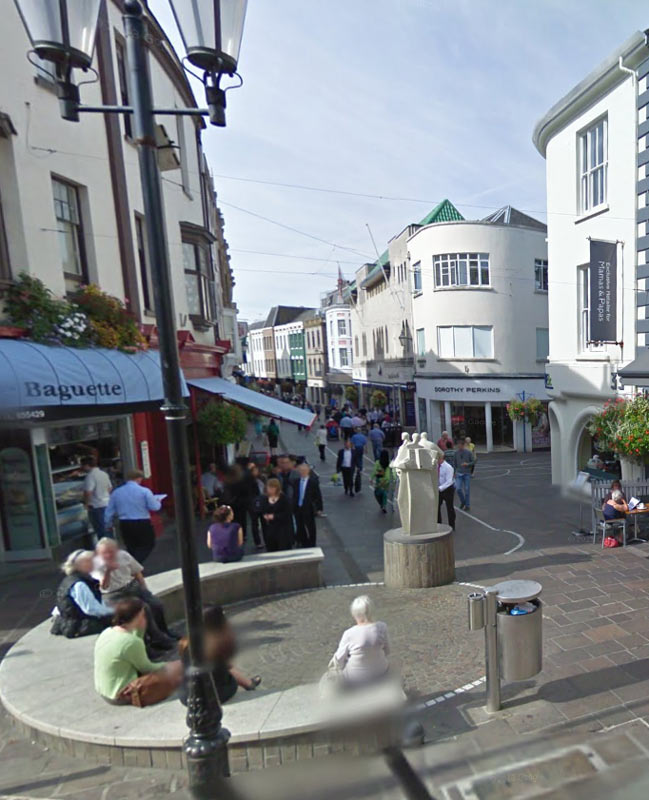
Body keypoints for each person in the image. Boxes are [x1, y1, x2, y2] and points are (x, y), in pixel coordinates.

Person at [94, 598, 182, 706]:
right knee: (175, 670)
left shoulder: (107, 632)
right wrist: (172, 665)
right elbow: (147, 668)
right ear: (137, 616)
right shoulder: (130, 642)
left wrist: (140, 630)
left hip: (105, 691)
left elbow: (136, 644)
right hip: (121, 694)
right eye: (143, 615)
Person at [94, 538, 177, 651]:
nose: (109, 555)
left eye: (111, 551)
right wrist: (108, 571)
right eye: (105, 553)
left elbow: (137, 572)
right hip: (113, 594)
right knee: (142, 609)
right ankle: (156, 639)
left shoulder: (123, 555)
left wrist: (144, 588)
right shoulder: (97, 564)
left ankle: (165, 632)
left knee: (156, 604)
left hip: (131, 585)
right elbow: (104, 586)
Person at [178, 606, 260, 706]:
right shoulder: (217, 645)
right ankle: (248, 684)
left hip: (186, 695)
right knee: (229, 670)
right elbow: (226, 669)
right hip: (213, 696)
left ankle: (249, 683)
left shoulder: (185, 641)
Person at [51, 549, 113, 638]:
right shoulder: (79, 584)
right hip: (79, 626)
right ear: (81, 565)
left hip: (72, 623)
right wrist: (116, 611)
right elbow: (91, 609)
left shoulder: (71, 579)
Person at [104, 469, 161, 564]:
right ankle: (133, 564)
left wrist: (108, 523)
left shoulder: (117, 492)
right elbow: (155, 507)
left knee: (131, 547)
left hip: (125, 522)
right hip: (142, 522)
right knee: (148, 544)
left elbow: (109, 510)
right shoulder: (144, 491)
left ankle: (134, 566)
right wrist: (158, 502)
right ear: (138, 478)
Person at [332, 596, 389, 686]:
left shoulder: (349, 633)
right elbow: (387, 651)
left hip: (355, 677)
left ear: (354, 614)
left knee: (330, 676)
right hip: (381, 670)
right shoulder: (382, 627)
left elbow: (339, 660)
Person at [82, 457, 112, 539]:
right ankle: (111, 544)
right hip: (106, 503)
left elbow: (88, 492)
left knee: (100, 530)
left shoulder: (90, 476)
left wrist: (86, 504)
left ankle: (104, 545)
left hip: (96, 506)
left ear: (87, 465)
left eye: (82, 466)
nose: (82, 468)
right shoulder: (104, 474)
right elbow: (110, 488)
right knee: (107, 528)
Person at [294, 462, 323, 547]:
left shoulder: (313, 482)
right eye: (301, 470)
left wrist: (319, 508)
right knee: (300, 525)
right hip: (298, 507)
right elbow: (295, 494)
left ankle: (312, 543)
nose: (302, 472)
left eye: (304, 470)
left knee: (310, 526)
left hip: (308, 507)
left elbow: (318, 495)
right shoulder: (296, 482)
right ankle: (304, 542)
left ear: (308, 471)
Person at [260, 478, 294, 551]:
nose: (270, 490)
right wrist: (265, 515)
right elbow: (262, 510)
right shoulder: (264, 499)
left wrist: (274, 516)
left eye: (272, 488)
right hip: (270, 529)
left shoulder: (284, 499)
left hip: (283, 529)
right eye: (269, 488)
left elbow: (287, 514)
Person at [247, 462, 266, 550]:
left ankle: (266, 539)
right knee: (255, 523)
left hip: (262, 502)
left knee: (264, 522)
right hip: (253, 504)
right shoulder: (248, 481)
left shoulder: (262, 479)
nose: (256, 472)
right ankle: (258, 542)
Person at [454, 440, 475, 511]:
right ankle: (463, 501)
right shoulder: (456, 453)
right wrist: (455, 472)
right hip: (459, 473)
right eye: (458, 445)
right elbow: (455, 463)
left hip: (466, 473)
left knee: (467, 490)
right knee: (458, 489)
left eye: (460, 445)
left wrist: (468, 464)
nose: (458, 447)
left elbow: (474, 461)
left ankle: (467, 505)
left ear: (463, 445)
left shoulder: (468, 452)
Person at [437, 451, 456, 530]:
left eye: (437, 458)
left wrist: (440, 488)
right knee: (437, 507)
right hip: (439, 489)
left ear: (442, 458)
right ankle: (438, 524)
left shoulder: (448, 467)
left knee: (449, 507)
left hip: (448, 489)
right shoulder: (436, 466)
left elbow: (449, 481)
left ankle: (452, 525)